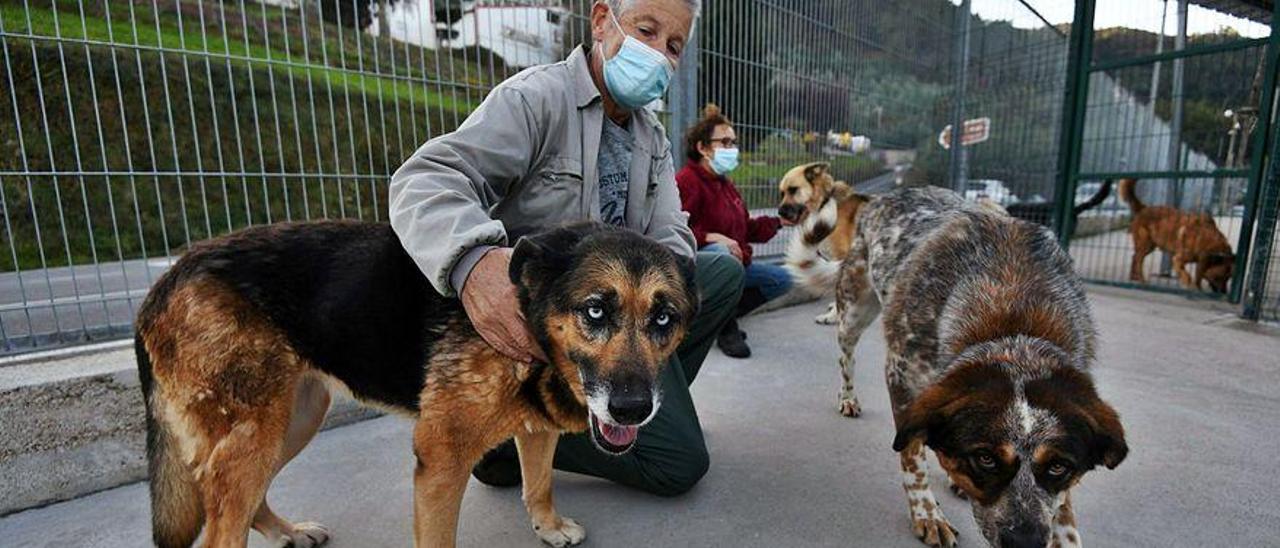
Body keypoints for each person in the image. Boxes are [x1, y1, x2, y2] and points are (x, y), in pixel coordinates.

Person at [388, 0, 739, 497]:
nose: (658, 53)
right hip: (535, 339)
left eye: (674, 46)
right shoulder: (535, 99)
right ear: (601, 21)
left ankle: (630, 394)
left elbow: (672, 240)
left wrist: (656, 317)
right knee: (679, 464)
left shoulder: (652, 138)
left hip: (616, 320)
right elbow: (426, 179)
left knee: (719, 271)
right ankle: (506, 438)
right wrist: (473, 263)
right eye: (646, 30)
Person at [675, 105, 794, 358]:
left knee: (784, 279)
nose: (732, 148)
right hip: (704, 265)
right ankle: (726, 327)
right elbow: (675, 229)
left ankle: (717, 319)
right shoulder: (687, 181)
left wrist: (778, 223)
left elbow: (745, 228)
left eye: (734, 142)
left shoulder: (725, 184)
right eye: (725, 142)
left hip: (738, 262)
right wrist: (711, 237)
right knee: (723, 252)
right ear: (703, 147)